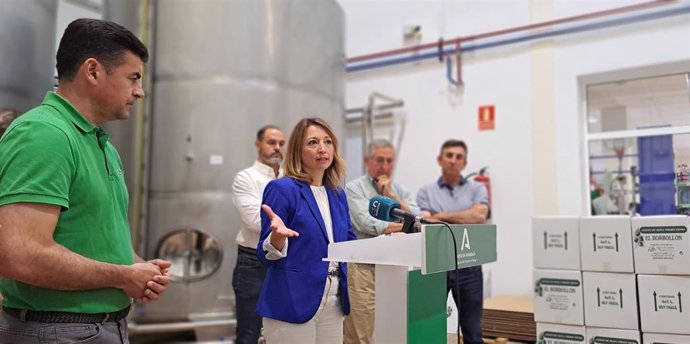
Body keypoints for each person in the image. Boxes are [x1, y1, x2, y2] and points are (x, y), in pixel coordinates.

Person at [0, 18, 170, 343]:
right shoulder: (44, 134)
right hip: (55, 330)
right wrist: (124, 276)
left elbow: (93, 234)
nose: (140, 90)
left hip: (98, 327)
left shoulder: (98, 142)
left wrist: (138, 268)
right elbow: (19, 255)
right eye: (133, 77)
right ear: (93, 71)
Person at [256, 117, 356, 344]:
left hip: (334, 300)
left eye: (328, 142)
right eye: (312, 142)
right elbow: (265, 255)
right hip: (293, 301)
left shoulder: (337, 194)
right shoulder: (282, 189)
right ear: (297, 151)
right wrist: (277, 238)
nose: (322, 148)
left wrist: (384, 241)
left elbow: (348, 243)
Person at [343, 138, 421, 344]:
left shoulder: (400, 190)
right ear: (367, 160)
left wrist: (393, 197)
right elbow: (365, 223)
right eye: (379, 160)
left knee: (391, 328)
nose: (384, 166)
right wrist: (408, 225)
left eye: (389, 161)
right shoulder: (354, 188)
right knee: (362, 329)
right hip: (363, 266)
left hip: (395, 265)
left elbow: (419, 216)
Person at [416, 139, 489, 344]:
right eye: (449, 156)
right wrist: (462, 215)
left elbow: (479, 216)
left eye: (458, 157)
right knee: (430, 324)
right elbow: (425, 222)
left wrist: (441, 215)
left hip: (469, 264)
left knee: (472, 330)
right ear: (440, 159)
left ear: (465, 163)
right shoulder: (425, 192)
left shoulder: (477, 189)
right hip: (435, 266)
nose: (453, 161)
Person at [231, 124, 285, 344]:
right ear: (258, 145)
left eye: (281, 143)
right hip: (253, 263)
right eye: (271, 142)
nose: (277, 148)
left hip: (283, 261)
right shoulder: (246, 178)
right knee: (250, 333)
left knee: (281, 330)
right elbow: (256, 221)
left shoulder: (291, 178)